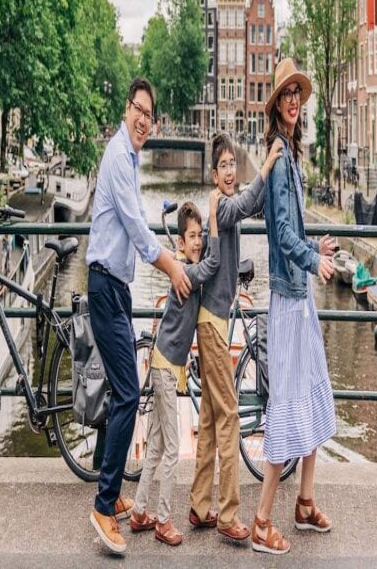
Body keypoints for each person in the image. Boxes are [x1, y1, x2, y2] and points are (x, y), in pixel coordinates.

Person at [86, 77, 192, 555]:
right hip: (105, 285)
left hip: (116, 287)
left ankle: (110, 492)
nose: (144, 121)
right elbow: (132, 222)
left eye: (150, 115)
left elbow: (135, 223)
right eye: (139, 111)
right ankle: (102, 506)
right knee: (130, 393)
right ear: (125, 109)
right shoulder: (117, 156)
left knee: (121, 391)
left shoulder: (129, 158)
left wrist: (161, 255)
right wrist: (171, 265)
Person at [251, 58, 336, 556]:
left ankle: (304, 502)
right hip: (288, 299)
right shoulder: (279, 158)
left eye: (297, 95)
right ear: (276, 104)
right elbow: (281, 235)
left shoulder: (290, 153)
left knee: (311, 392)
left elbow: (294, 233)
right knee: (286, 403)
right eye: (286, 95)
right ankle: (262, 521)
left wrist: (314, 248)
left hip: (300, 298)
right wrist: (310, 259)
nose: (293, 101)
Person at [189, 131, 284, 543]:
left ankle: (198, 505)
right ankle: (228, 514)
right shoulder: (221, 205)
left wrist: (271, 177)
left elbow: (254, 202)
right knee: (229, 415)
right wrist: (267, 163)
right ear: (214, 174)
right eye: (223, 166)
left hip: (215, 319)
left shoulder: (227, 203)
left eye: (233, 164)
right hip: (212, 323)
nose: (229, 171)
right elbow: (245, 204)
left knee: (211, 418)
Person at [130, 190, 222, 546]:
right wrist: (214, 218)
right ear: (180, 243)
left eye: (201, 236)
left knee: (155, 445)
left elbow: (205, 262)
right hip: (167, 367)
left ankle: (140, 511)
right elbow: (211, 266)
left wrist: (204, 231)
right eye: (192, 237)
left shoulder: (185, 265)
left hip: (163, 364)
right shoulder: (185, 272)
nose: (198, 242)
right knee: (171, 449)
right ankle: (163, 520)